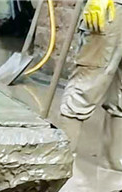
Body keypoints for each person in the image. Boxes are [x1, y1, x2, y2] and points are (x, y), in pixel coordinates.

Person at [60, 0, 121, 170]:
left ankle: (113, 159)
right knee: (87, 84)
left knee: (120, 93)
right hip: (111, 7)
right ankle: (63, 158)